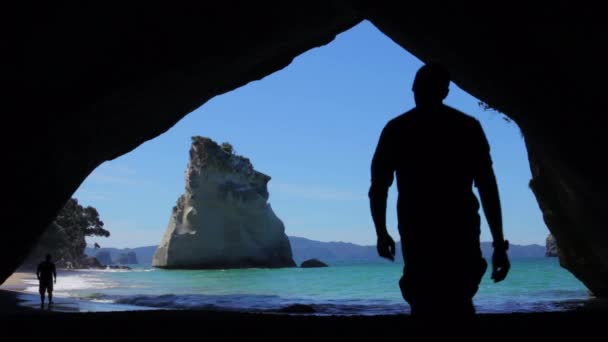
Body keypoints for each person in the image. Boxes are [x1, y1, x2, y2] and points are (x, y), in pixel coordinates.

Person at [369, 63, 510, 317]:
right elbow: (488, 188)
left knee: (423, 300)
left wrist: (382, 232)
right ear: (445, 92)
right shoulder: (467, 127)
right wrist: (499, 244)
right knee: (459, 297)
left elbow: (379, 188)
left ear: (413, 89)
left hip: (417, 228)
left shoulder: (397, 129)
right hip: (460, 228)